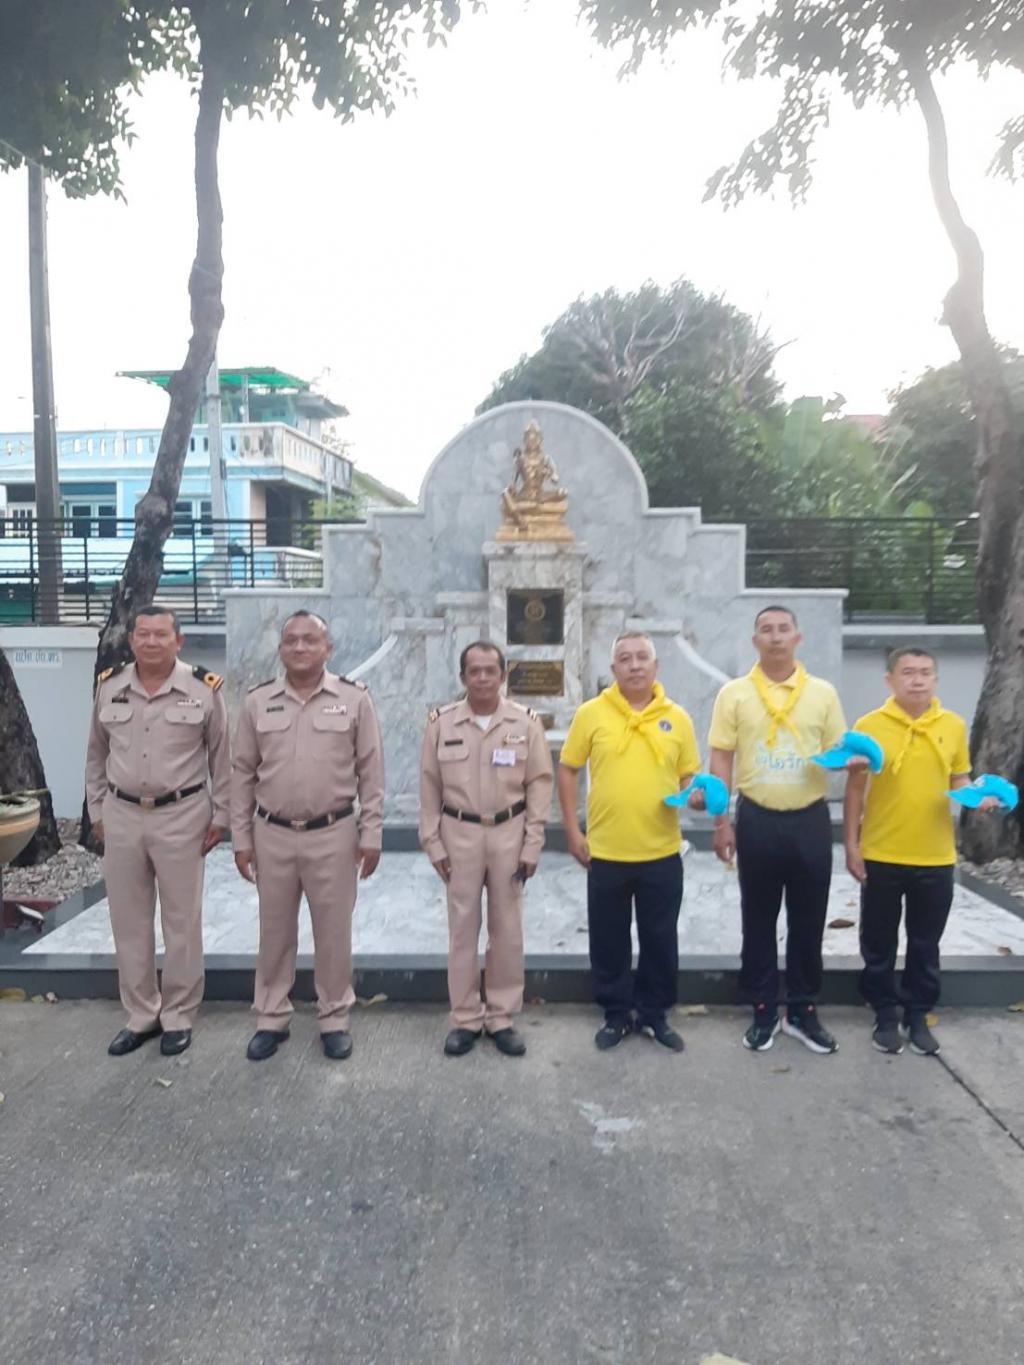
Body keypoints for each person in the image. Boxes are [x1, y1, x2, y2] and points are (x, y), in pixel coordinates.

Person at [231, 610, 383, 1062]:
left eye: (310, 640)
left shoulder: (354, 699)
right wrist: (241, 838)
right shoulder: (258, 702)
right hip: (272, 833)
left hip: (333, 833)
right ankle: (271, 1017)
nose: (300, 647)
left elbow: (371, 771)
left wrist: (371, 832)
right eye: (291, 640)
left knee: (333, 932)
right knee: (274, 931)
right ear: (280, 649)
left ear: (327, 648)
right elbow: (241, 773)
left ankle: (334, 1017)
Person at [85, 605, 230, 1058]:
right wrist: (97, 812)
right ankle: (141, 1013)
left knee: (181, 922)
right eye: (143, 634)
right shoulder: (110, 686)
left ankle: (179, 1014)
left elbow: (222, 758)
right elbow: (95, 755)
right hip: (122, 815)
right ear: (131, 640)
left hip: (182, 815)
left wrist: (221, 817)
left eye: (160, 634)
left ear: (178, 641)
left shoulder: (203, 689)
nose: (151, 641)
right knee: (128, 921)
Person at [844, 646, 996, 1056]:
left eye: (926, 672)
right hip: (882, 852)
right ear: (890, 680)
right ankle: (884, 1013)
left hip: (935, 855)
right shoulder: (869, 726)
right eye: (908, 672)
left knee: (925, 943)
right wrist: (852, 845)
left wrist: (978, 797)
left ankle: (917, 1014)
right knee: (878, 941)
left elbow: (959, 778)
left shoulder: (952, 725)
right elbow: (855, 789)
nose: (917, 680)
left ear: (935, 679)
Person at [707, 606, 846, 1054]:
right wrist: (721, 822)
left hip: (809, 819)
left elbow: (838, 751)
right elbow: (721, 758)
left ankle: (803, 1010)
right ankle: (764, 1008)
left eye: (784, 629)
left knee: (809, 919)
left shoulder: (822, 693)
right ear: (755, 641)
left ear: (797, 638)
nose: (775, 636)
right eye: (766, 630)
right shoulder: (734, 694)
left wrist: (856, 758)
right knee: (758, 917)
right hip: (757, 818)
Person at [558, 632, 699, 1053]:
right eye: (625, 658)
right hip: (605, 851)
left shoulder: (678, 718)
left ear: (655, 666)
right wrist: (572, 830)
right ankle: (616, 1013)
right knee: (609, 938)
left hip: (662, 851)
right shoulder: (591, 714)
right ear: (613, 669)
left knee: (660, 938)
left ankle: (655, 1014)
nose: (634, 665)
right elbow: (568, 769)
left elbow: (688, 775)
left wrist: (694, 794)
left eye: (642, 657)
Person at [419, 640, 553, 1058]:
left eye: (489, 670)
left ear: (502, 675)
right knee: (462, 928)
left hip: (509, 832)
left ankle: (500, 1016)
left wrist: (532, 843)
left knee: (507, 929)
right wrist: (432, 841)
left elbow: (539, 784)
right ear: (462, 677)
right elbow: (429, 786)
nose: (481, 678)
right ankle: (464, 1017)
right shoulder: (442, 724)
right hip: (459, 833)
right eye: (473, 671)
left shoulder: (524, 723)